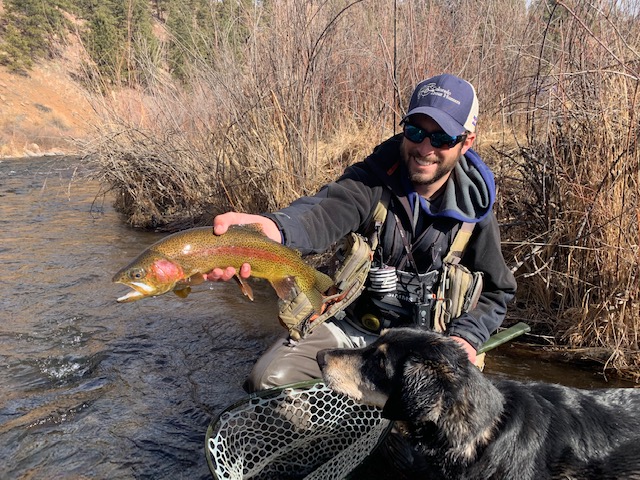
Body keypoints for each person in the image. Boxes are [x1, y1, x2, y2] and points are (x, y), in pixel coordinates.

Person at [207, 73, 517, 393]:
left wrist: (466, 337)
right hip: (354, 330)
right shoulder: (371, 181)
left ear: (466, 142)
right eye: (415, 131)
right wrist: (274, 229)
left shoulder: (475, 212)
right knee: (268, 380)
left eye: (441, 138)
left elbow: (498, 292)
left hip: (427, 348)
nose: (425, 148)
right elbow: (321, 213)